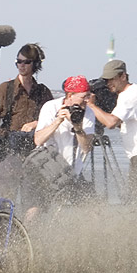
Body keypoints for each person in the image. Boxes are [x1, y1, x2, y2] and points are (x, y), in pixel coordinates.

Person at [87, 59, 137, 204]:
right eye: (106, 80)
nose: (108, 84)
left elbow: (110, 123)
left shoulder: (127, 96)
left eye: (112, 79)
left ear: (123, 76)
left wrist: (91, 105)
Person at [21, 76, 96, 220]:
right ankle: (25, 239)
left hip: (71, 171)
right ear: (70, 96)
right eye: (83, 97)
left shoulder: (88, 113)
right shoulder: (51, 107)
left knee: (93, 210)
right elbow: (38, 140)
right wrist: (58, 121)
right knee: (33, 210)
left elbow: (86, 148)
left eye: (88, 95)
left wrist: (77, 126)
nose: (87, 100)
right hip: (45, 168)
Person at [0, 43, 53, 154]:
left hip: (34, 147)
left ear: (35, 64)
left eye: (26, 62)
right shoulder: (5, 88)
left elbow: (53, 119)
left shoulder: (43, 91)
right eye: (19, 62)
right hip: (8, 147)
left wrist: (35, 123)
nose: (22, 65)